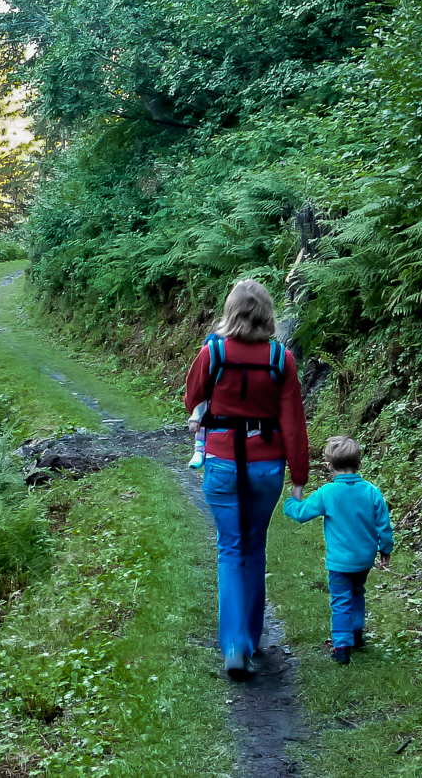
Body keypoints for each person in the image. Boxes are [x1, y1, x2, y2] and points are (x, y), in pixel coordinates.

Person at [184, 279, 310, 680]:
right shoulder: (280, 358)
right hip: (267, 468)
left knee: (230, 549)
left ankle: (235, 644)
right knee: (255, 547)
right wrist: (300, 476)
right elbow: (293, 421)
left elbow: (191, 398)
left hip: (222, 463)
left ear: (230, 311)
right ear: (267, 313)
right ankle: (251, 640)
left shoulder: (213, 351)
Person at [283, 436, 395, 665]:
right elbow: (383, 525)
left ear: (329, 465)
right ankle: (356, 634)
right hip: (364, 560)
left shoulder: (327, 493)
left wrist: (291, 501)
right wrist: (385, 549)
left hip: (340, 563)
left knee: (341, 600)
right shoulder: (372, 492)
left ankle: (342, 646)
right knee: (357, 592)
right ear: (360, 464)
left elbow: (301, 513)